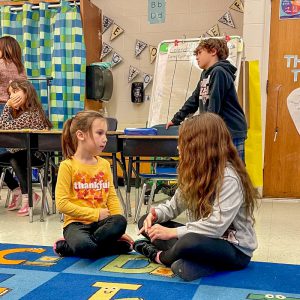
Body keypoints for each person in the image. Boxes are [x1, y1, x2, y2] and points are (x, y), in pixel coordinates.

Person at [134, 113, 257, 281]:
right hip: (203, 240)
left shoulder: (229, 177)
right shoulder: (195, 172)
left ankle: (161, 256)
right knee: (145, 222)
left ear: (200, 146)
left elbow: (216, 226)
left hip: (234, 249)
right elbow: (174, 206)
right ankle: (190, 260)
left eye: (183, 143)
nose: (178, 148)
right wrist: (156, 214)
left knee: (188, 241)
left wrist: (171, 232)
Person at [53, 110, 133, 258]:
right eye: (100, 133)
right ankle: (101, 247)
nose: (105, 139)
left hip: (102, 225)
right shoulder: (67, 166)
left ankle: (73, 248)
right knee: (84, 246)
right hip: (76, 225)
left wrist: (119, 231)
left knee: (120, 221)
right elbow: (62, 204)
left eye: (106, 134)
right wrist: (95, 214)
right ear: (80, 135)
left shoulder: (104, 164)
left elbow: (111, 197)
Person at [166, 38, 247, 162]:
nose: (197, 57)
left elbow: (214, 103)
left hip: (230, 131)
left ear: (213, 51)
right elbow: (194, 99)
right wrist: (177, 118)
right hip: (214, 129)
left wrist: (206, 130)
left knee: (233, 170)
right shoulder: (205, 74)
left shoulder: (219, 72)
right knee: (217, 170)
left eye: (200, 53)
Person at [0, 79, 53, 216]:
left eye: (15, 91)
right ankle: (16, 189)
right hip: (21, 153)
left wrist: (6, 106)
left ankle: (28, 196)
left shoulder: (33, 112)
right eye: (10, 93)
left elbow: (3, 126)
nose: (12, 96)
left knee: (15, 158)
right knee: (12, 157)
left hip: (38, 155)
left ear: (27, 92)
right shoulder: (20, 113)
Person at [0, 36, 27, 114]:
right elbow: (25, 85)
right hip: (19, 106)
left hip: (2, 104)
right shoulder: (20, 66)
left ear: (5, 50)